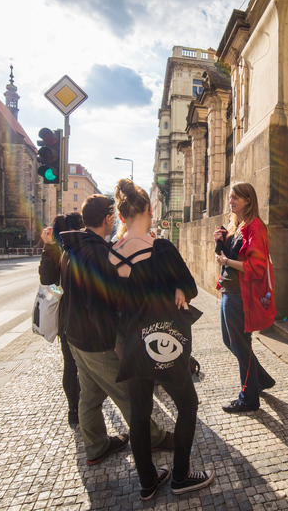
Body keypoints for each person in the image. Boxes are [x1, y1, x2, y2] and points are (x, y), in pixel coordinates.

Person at [109, 179, 214, 500]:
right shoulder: (162, 248)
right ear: (150, 210)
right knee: (188, 405)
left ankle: (147, 482)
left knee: (139, 414)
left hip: (131, 345)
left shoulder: (111, 254)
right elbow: (191, 286)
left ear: (121, 215)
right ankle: (180, 476)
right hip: (163, 343)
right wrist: (180, 289)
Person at [59, 195, 174, 466]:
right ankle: (153, 438)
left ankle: (96, 445)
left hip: (74, 336)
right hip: (96, 341)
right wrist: (112, 340)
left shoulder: (72, 247)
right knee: (129, 395)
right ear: (109, 218)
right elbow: (98, 302)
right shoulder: (97, 253)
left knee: (90, 395)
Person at [214, 182, 276, 413]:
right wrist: (220, 240)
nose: (231, 201)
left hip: (241, 295)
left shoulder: (255, 227)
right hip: (229, 291)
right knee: (230, 342)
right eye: (230, 197)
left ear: (248, 200)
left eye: (236, 198)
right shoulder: (238, 226)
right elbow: (227, 255)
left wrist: (227, 262)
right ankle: (262, 380)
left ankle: (248, 399)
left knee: (240, 345)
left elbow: (257, 267)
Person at [38, 212, 84, 428]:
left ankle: (73, 410)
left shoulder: (55, 251)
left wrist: (48, 247)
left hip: (64, 319)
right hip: (80, 317)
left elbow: (48, 282)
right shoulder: (76, 250)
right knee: (81, 365)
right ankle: (84, 406)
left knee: (70, 365)